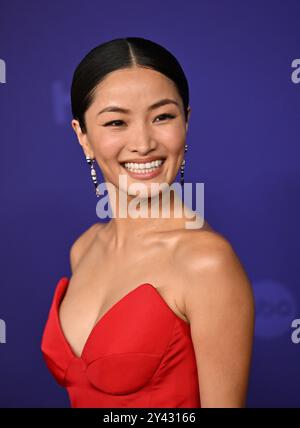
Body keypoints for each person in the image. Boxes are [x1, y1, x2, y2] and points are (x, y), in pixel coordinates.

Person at [41, 37, 255, 408]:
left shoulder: (206, 262)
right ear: (83, 136)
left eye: (163, 117)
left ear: (186, 122)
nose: (143, 142)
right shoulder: (85, 247)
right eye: (116, 122)